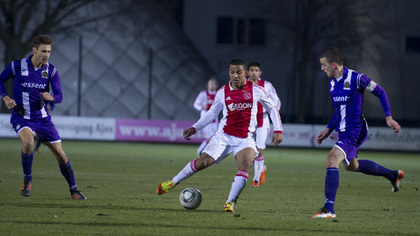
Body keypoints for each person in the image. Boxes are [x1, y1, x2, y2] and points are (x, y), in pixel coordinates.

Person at [156, 59, 283, 212]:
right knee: (203, 163)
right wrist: (194, 128)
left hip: (245, 138)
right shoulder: (222, 92)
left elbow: (272, 108)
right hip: (223, 136)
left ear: (245, 73)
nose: (235, 75)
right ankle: (173, 182)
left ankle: (229, 203)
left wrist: (278, 129)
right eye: (231, 72)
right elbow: (212, 113)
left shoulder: (256, 90)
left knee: (245, 164)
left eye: (238, 72)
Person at [312, 47, 403, 218]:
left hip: (355, 129)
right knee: (351, 166)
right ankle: (393, 174)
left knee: (332, 158)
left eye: (324, 65)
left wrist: (388, 117)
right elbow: (339, 110)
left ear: (333, 64)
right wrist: (329, 129)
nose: (322, 68)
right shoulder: (332, 83)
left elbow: (380, 92)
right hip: (343, 130)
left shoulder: (357, 78)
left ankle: (328, 209)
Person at [0, 35, 86, 200]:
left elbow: (60, 95)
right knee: (28, 143)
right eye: (43, 51)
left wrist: (51, 97)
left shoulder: (51, 70)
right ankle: (27, 179)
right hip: (22, 116)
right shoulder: (17, 66)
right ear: (34, 50)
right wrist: (5, 97)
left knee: (60, 155)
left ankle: (74, 189)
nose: (46, 55)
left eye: (49, 51)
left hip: (43, 119)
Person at [247, 62, 281, 187]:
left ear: (260, 72)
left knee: (259, 149)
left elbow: (276, 101)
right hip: (248, 123)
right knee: (248, 152)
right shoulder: (244, 85)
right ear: (247, 72)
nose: (254, 72)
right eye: (251, 70)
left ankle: (256, 179)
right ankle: (262, 169)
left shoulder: (267, 85)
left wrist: (269, 109)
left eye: (256, 70)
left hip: (262, 121)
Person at [193, 77, 219, 155]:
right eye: (210, 83)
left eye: (213, 84)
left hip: (215, 119)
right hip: (205, 119)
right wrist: (202, 107)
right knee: (209, 137)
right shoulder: (203, 94)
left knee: (214, 137)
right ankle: (201, 150)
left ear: (216, 85)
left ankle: (205, 151)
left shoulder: (218, 94)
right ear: (207, 85)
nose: (212, 85)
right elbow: (195, 104)